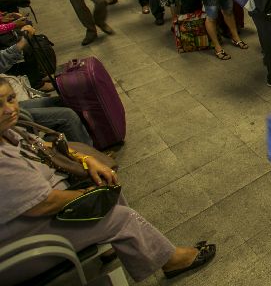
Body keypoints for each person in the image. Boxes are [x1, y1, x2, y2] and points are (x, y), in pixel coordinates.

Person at [0, 78, 217, 284]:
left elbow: (43, 146)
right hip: (26, 240)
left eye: (11, 99)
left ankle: (113, 239)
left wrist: (87, 159)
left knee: (107, 182)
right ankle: (172, 261)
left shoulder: (9, 131)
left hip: (45, 210)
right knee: (120, 216)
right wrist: (90, 195)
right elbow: (44, 203)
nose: (10, 109)